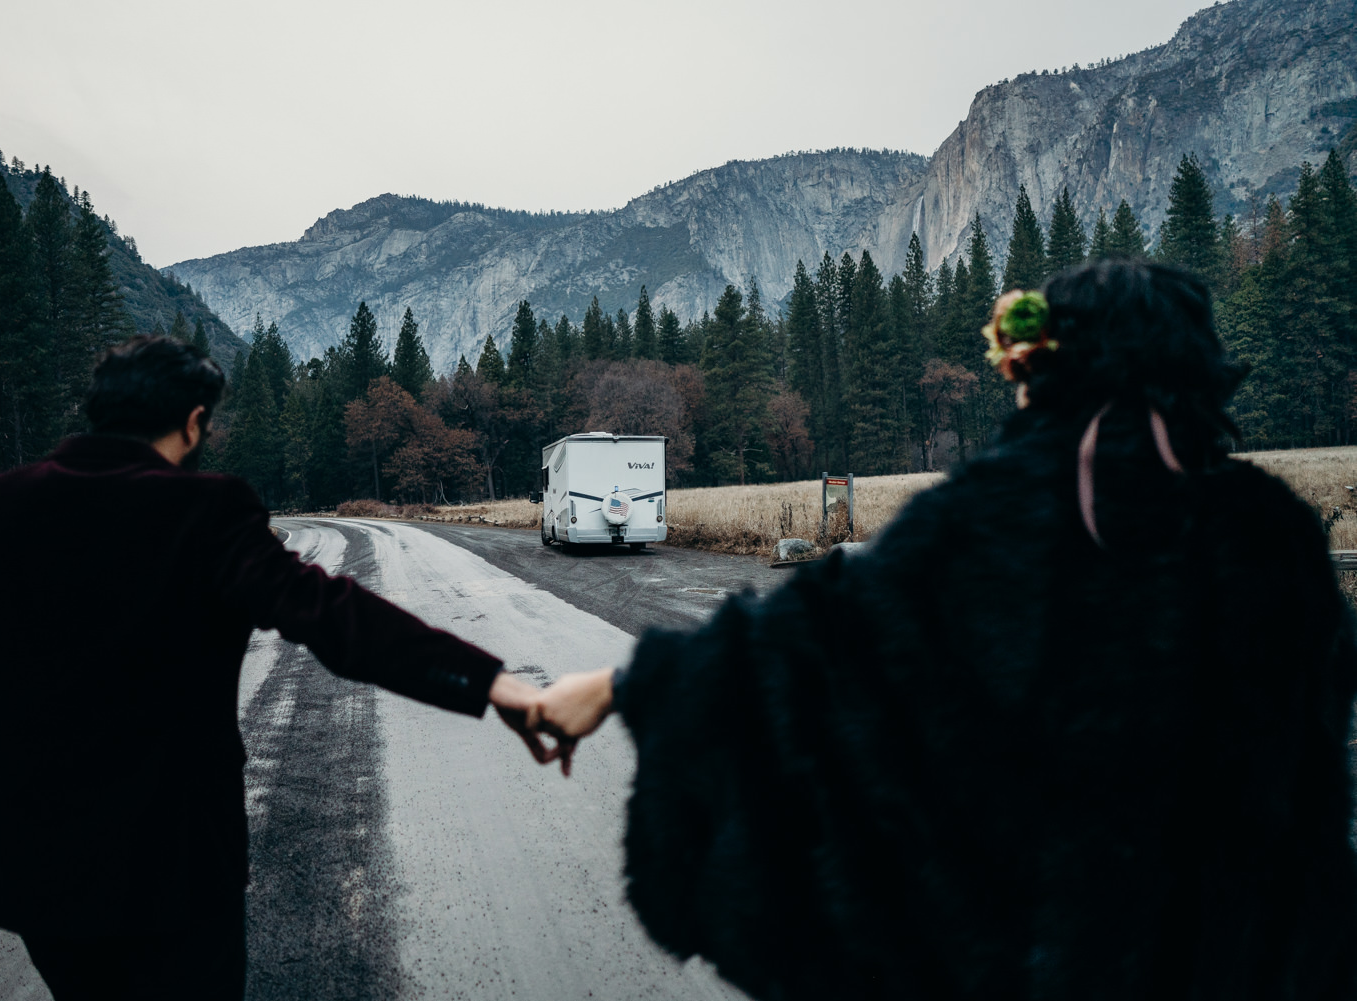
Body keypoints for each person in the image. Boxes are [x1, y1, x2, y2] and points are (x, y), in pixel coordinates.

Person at [527, 260, 1357, 999]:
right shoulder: (1274, 536)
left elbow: (804, 649)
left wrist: (617, 686)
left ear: (1046, 369)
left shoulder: (996, 517)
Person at [0, 336, 553, 1000]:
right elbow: (334, 616)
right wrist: (494, 684)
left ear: (99, 412)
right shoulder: (206, 511)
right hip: (177, 875)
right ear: (192, 423)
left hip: (42, 886)